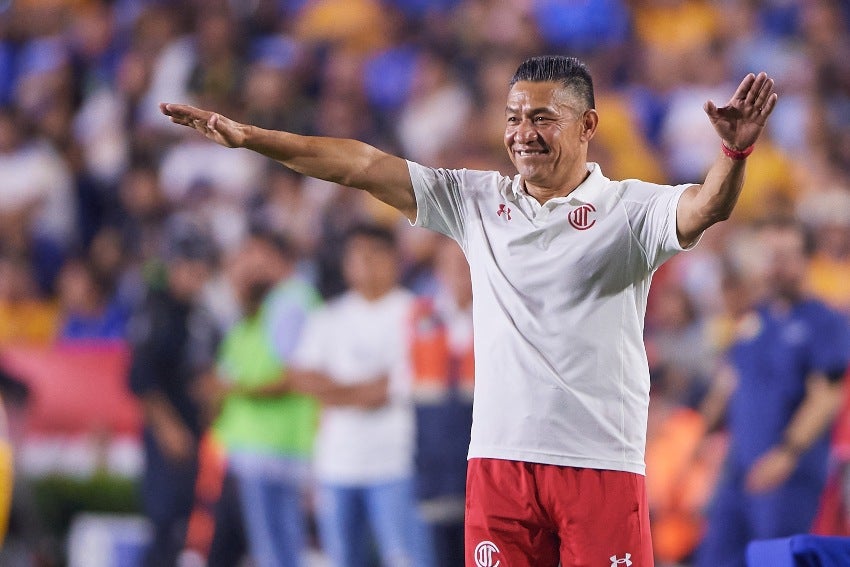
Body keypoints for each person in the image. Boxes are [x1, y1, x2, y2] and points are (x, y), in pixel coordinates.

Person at [161, 55, 777, 566]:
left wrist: (733, 156)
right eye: (514, 118)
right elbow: (361, 165)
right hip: (498, 465)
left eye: (543, 118)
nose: (523, 133)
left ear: (587, 124)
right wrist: (251, 138)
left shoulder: (629, 210)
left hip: (596, 463)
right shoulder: (476, 200)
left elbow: (705, 209)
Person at [696, 219, 850, 567]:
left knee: (775, 559)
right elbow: (730, 382)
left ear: (807, 260)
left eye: (786, 256)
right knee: (717, 557)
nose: (776, 266)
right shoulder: (754, 319)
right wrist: (701, 436)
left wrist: (787, 453)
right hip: (738, 467)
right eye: (770, 256)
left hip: (788, 472)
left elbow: (826, 396)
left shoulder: (825, 321)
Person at [288, 224, 422, 567]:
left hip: (395, 462)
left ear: (393, 259)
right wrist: (362, 389)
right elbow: (301, 378)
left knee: (404, 558)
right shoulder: (328, 316)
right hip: (337, 463)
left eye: (373, 255)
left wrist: (333, 388)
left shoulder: (415, 314)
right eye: (356, 256)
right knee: (343, 559)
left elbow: (387, 391)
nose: (364, 264)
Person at [207, 229, 322, 567]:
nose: (243, 264)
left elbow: (293, 374)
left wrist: (234, 390)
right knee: (273, 546)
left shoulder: (290, 301)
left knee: (276, 549)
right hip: (259, 446)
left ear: (272, 256)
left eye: (251, 254)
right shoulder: (265, 305)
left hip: (273, 446)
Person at [127, 226, 220, 567]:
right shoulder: (156, 307)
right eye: (190, 268)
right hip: (168, 430)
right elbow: (141, 376)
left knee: (187, 523)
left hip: (197, 427)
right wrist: (167, 428)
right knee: (165, 522)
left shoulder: (201, 312)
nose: (197, 277)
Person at [409, 237, 474, 567]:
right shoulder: (417, 319)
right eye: (452, 265)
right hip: (434, 464)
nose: (461, 273)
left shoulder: (501, 317)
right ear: (439, 271)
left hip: (484, 466)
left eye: (466, 264)